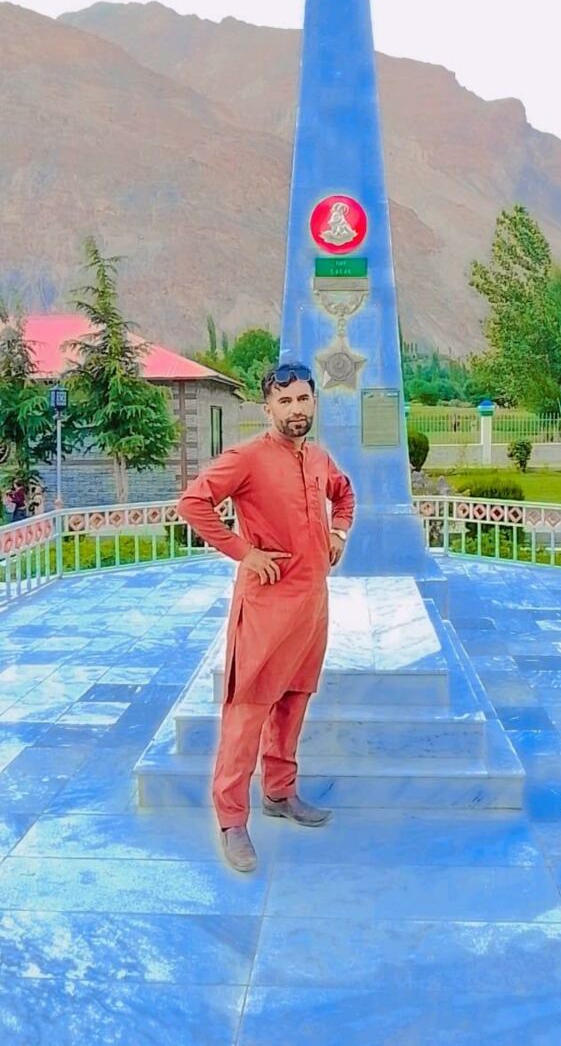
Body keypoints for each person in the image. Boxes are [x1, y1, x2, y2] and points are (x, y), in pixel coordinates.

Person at [177, 362, 355, 873]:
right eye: (285, 401)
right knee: (247, 713)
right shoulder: (247, 459)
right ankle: (232, 820)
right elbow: (193, 503)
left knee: (294, 702)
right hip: (265, 607)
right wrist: (244, 552)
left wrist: (338, 533)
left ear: (313, 402)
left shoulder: (318, 458)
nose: (296, 409)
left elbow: (344, 494)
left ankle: (280, 792)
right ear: (268, 408)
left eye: (303, 399)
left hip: (311, 606)